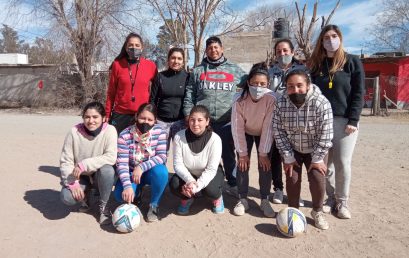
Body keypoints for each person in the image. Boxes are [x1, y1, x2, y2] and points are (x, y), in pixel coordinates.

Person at [309, 25, 365, 219]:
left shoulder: (352, 62)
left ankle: (342, 202)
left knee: (342, 162)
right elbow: (312, 93)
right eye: (326, 37)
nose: (330, 40)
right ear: (321, 42)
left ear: (340, 38)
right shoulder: (317, 65)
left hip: (345, 121)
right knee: (326, 164)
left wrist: (354, 119)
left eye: (334, 36)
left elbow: (359, 93)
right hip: (321, 121)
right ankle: (330, 198)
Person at [183, 36, 246, 195]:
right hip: (204, 123)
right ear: (206, 50)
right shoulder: (198, 70)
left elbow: (250, 84)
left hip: (226, 121)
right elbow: (190, 93)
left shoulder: (235, 69)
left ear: (222, 48)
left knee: (228, 154)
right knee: (200, 154)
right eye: (210, 48)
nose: (213, 50)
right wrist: (187, 114)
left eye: (216, 47)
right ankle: (198, 184)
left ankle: (232, 184)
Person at [273, 69, 333, 230]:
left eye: (300, 85)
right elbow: (278, 131)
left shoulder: (321, 103)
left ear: (308, 85)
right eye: (290, 86)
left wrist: (318, 158)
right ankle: (293, 211)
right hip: (293, 150)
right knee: (292, 178)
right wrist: (287, 155)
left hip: (315, 149)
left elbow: (326, 134)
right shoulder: (280, 103)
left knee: (317, 177)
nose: (295, 90)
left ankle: (317, 211)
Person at [60, 101, 117, 225]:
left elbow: (111, 157)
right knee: (67, 197)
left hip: (98, 175)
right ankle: (85, 198)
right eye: (87, 117)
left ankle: (104, 207)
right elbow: (66, 161)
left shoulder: (110, 130)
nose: (91, 121)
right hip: (80, 176)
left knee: (108, 170)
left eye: (95, 117)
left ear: (104, 118)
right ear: (83, 118)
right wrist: (72, 183)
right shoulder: (73, 132)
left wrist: (85, 164)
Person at [231, 62, 276, 218]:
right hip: (246, 132)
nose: (258, 87)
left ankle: (264, 199)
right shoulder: (239, 98)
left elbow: (269, 126)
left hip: (264, 132)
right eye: (255, 83)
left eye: (262, 84)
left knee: (265, 165)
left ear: (268, 84)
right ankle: (242, 198)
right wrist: (242, 153)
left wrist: (263, 153)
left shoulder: (271, 98)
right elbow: (237, 127)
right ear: (248, 82)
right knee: (243, 164)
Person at [268, 38, 308, 206]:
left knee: (295, 156)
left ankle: (295, 192)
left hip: (296, 118)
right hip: (274, 117)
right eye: (279, 51)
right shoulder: (270, 72)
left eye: (285, 50)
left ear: (292, 52)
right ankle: (278, 188)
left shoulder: (303, 70)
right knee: (276, 156)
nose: (282, 54)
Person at [113, 103, 168, 222]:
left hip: (149, 171)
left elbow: (162, 156)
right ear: (136, 116)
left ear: (155, 121)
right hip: (132, 172)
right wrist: (127, 186)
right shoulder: (125, 135)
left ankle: (154, 204)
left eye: (150, 119)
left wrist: (142, 167)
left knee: (162, 172)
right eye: (142, 118)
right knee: (119, 196)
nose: (145, 122)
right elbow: (121, 164)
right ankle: (136, 193)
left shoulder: (160, 132)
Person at [169, 105, 224, 215]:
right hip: (190, 174)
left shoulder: (215, 139)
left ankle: (217, 198)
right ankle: (188, 198)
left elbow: (211, 169)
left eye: (200, 120)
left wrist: (196, 186)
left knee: (210, 190)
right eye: (192, 120)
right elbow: (178, 164)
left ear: (207, 121)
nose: (195, 124)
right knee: (174, 185)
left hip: (210, 173)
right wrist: (190, 181)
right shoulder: (179, 136)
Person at [105, 32, 158, 134]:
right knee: (120, 147)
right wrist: (107, 114)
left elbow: (157, 91)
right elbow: (111, 92)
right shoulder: (117, 65)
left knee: (140, 147)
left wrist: (153, 112)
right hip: (121, 114)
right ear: (126, 47)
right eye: (131, 45)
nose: (134, 48)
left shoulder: (150, 66)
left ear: (142, 47)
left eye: (137, 45)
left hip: (142, 116)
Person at [150, 47, 189, 151]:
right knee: (160, 154)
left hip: (181, 122)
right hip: (161, 122)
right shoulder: (160, 76)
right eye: (173, 58)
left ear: (183, 61)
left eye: (179, 58)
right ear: (168, 60)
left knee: (181, 154)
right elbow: (152, 99)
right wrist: (152, 118)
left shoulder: (188, 77)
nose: (176, 61)